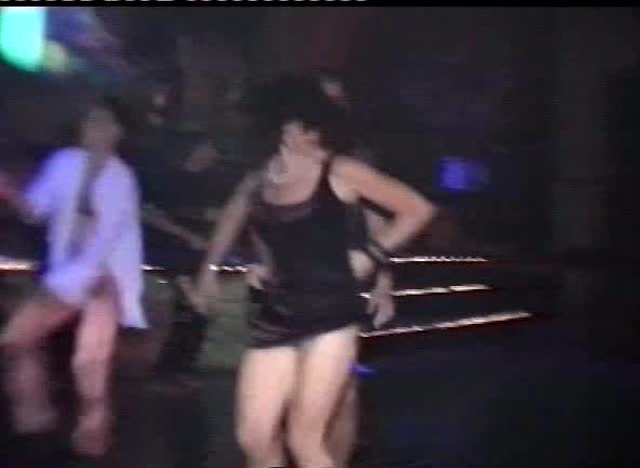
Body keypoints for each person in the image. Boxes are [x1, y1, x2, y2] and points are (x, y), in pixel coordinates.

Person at [194, 76, 436, 468]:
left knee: (305, 440)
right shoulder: (260, 180)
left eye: (315, 126)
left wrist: (374, 260)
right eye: (302, 126)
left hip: (330, 315)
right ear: (281, 128)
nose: (311, 135)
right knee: (254, 436)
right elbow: (245, 222)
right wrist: (220, 269)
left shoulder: (340, 170)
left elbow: (417, 209)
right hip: (276, 315)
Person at [0, 96, 146, 459]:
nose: (94, 130)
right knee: (16, 341)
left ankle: (93, 439)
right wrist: (9, 191)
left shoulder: (121, 179)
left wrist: (79, 284)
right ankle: (35, 418)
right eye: (90, 122)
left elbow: (102, 243)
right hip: (67, 276)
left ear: (118, 132)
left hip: (105, 278)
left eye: (103, 123)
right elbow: (35, 211)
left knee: (88, 365)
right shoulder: (64, 163)